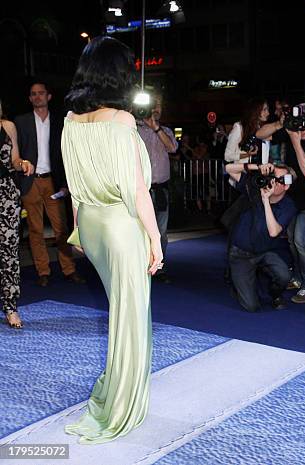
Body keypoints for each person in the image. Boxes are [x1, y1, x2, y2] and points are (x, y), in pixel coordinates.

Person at [61, 35, 163, 443]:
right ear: (118, 74)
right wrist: (155, 238)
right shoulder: (121, 121)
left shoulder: (70, 119)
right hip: (122, 227)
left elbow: (72, 185)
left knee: (121, 312)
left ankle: (118, 387)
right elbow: (138, 190)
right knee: (132, 318)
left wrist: (77, 231)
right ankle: (122, 406)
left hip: (90, 223)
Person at [257, 103, 305, 304]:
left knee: (301, 240)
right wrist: (279, 124)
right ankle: (298, 277)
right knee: (292, 240)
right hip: (293, 198)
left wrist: (296, 142)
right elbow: (260, 134)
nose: (300, 129)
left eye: (304, 125)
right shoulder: (292, 130)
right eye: (297, 124)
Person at [15, 82, 85, 287]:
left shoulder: (60, 122)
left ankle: (69, 269)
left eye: (41, 93)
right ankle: (43, 271)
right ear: (30, 98)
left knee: (61, 229)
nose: (37, 97)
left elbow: (66, 155)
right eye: (33, 94)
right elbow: (15, 153)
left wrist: (65, 183)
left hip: (53, 182)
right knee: (35, 230)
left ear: (49, 96)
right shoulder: (21, 121)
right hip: (30, 182)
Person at [225, 162, 297, 312]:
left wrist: (265, 201)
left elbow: (273, 231)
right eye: (271, 176)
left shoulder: (288, 205)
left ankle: (275, 295)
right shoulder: (254, 188)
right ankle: (239, 281)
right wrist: (257, 167)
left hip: (266, 252)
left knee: (284, 276)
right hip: (241, 254)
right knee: (251, 306)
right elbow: (228, 169)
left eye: (277, 179)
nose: (271, 182)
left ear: (286, 186)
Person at [0, 101, 35, 329]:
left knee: (9, 253)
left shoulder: (8, 126)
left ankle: (11, 308)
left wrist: (22, 163)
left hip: (6, 196)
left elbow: (14, 159)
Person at [136, 97, 178, 283]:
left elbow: (172, 148)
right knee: (139, 231)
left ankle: (158, 267)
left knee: (160, 231)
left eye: (159, 106)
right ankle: (138, 267)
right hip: (140, 190)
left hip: (161, 189)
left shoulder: (166, 131)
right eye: (153, 106)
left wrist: (156, 128)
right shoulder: (134, 130)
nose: (156, 109)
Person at [224, 98, 269, 167]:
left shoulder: (262, 128)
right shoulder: (239, 127)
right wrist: (247, 155)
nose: (268, 113)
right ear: (255, 110)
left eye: (267, 109)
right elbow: (227, 156)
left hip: (258, 173)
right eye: (264, 109)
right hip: (242, 175)